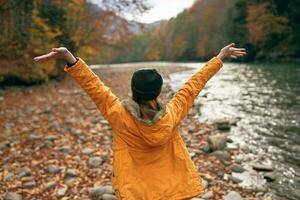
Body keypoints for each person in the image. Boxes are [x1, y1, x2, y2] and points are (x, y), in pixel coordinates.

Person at [34, 43, 246, 200]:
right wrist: (219, 57)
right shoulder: (173, 112)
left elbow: (95, 88)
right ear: (159, 91)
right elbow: (193, 85)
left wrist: (70, 58)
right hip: (173, 190)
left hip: (136, 192)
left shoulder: (118, 114)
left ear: (134, 91)